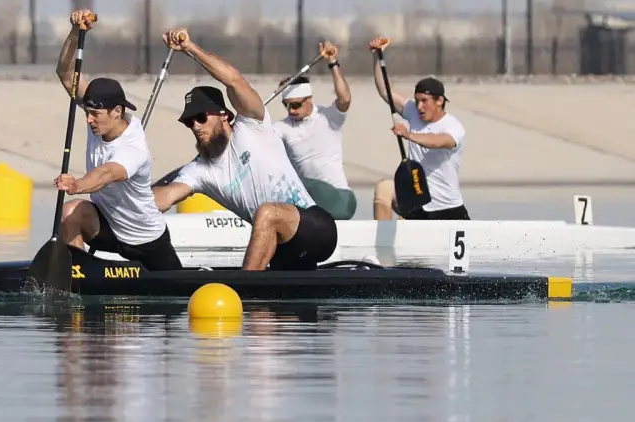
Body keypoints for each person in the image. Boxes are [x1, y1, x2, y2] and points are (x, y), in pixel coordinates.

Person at [151, 27, 338, 271]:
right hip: (280, 250)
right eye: (189, 122)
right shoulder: (199, 170)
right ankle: (255, 304)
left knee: (267, 212)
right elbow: (165, 198)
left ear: (224, 115)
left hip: (316, 229)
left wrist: (190, 48)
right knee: (267, 309)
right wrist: (123, 196)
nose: (195, 126)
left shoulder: (252, 123)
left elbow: (233, 79)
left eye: (200, 117)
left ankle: (242, 293)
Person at [52, 9, 183, 271]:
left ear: (117, 112)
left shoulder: (134, 148)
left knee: (172, 302)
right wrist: (76, 32)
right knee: (70, 213)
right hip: (107, 227)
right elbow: (66, 74)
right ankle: (79, 274)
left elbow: (106, 174)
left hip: (145, 238)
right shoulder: (100, 120)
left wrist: (76, 184)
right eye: (87, 112)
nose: (88, 120)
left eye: (95, 115)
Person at [368, 36, 469, 220]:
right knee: (384, 188)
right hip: (418, 201)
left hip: (447, 209)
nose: (420, 107)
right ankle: (382, 247)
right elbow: (385, 91)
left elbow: (439, 142)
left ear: (439, 101)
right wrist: (377, 56)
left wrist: (408, 134)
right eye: (417, 101)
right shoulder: (414, 111)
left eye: (425, 101)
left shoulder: (453, 126)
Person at [273, 40, 357, 220]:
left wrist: (333, 62)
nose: (291, 111)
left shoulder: (328, 117)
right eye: (286, 105)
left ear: (309, 98)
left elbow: (344, 97)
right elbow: (258, 135)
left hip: (340, 199)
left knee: (296, 185)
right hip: (312, 202)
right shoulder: (283, 128)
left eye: (295, 105)